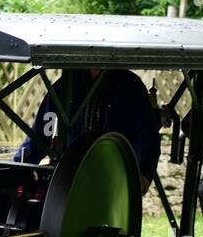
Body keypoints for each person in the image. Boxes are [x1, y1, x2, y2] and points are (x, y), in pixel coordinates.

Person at [16, 69, 161, 194]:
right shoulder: (65, 86)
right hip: (68, 183)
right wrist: (19, 166)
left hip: (112, 185)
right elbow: (41, 135)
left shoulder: (130, 87)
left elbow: (147, 136)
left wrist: (143, 173)